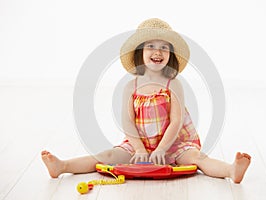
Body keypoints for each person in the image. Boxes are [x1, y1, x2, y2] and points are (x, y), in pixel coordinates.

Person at [41, 18, 251, 183]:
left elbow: (176, 121)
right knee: (106, 156)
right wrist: (140, 149)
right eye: (150, 46)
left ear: (171, 54)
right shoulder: (130, 86)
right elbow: (128, 122)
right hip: (139, 143)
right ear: (140, 53)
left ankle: (231, 170)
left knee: (198, 159)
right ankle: (63, 166)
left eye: (164, 47)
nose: (157, 52)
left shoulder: (173, 84)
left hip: (173, 143)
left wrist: (161, 149)